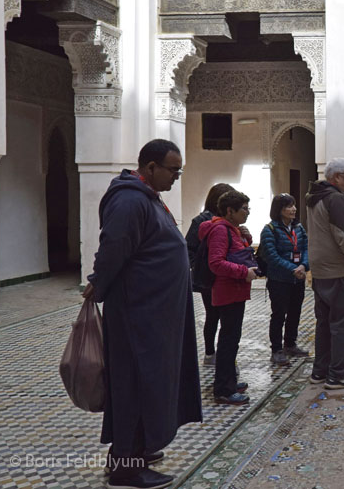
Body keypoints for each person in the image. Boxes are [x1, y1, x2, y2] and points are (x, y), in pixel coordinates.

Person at [83, 139, 201, 489]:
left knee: (151, 384)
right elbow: (113, 249)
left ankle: (137, 449)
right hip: (138, 316)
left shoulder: (146, 198)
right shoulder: (129, 200)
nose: (176, 178)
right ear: (150, 167)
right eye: (173, 170)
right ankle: (125, 468)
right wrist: (98, 284)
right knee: (135, 386)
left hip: (154, 315)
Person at [305, 157, 344, 389]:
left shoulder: (315, 197)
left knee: (324, 323)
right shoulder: (335, 199)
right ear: (337, 177)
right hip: (339, 270)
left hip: (321, 271)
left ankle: (320, 372)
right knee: (343, 323)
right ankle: (339, 374)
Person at [199, 190, 257, 405]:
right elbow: (216, 262)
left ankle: (229, 380)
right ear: (230, 211)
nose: (248, 212)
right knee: (227, 341)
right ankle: (223, 389)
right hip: (227, 291)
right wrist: (244, 273)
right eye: (244, 209)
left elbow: (237, 253)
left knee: (231, 340)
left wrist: (246, 238)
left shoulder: (232, 229)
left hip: (235, 291)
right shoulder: (220, 231)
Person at [186, 182, 234, 366]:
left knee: (227, 317)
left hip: (227, 275)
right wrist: (200, 267)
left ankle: (224, 356)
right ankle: (210, 353)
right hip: (209, 278)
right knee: (212, 315)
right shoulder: (201, 221)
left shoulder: (230, 218)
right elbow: (189, 248)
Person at [260, 193, 310, 366]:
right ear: (279, 210)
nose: (293, 209)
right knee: (279, 314)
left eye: (294, 205)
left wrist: (304, 265)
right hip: (279, 280)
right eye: (289, 206)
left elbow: (306, 248)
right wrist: (293, 269)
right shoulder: (270, 230)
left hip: (298, 279)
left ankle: (290, 344)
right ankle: (276, 349)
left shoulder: (299, 228)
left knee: (295, 312)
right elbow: (271, 256)